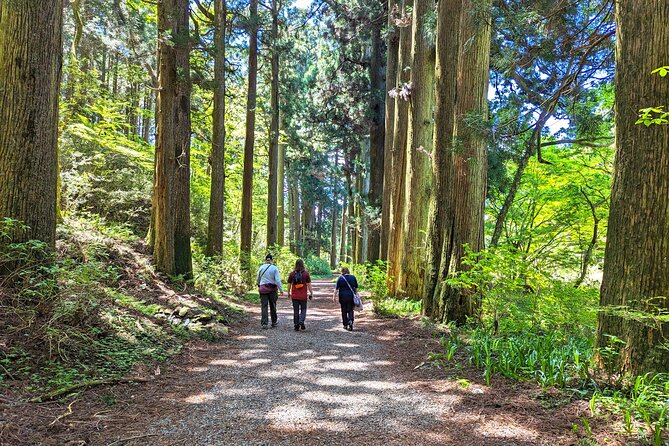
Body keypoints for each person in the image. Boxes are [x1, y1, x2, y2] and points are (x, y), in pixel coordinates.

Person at [256, 254, 283, 329]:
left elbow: (258, 278)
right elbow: (277, 280)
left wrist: (259, 284)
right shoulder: (274, 268)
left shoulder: (261, 267)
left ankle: (264, 323)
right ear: (272, 260)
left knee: (264, 306)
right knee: (273, 305)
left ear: (265, 260)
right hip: (272, 289)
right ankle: (274, 321)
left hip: (263, 289)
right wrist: (281, 290)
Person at [287, 259, 313, 331]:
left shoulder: (292, 274)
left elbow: (289, 284)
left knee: (296, 310)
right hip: (303, 296)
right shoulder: (306, 274)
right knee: (303, 309)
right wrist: (311, 292)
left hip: (295, 295)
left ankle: (296, 325)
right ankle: (301, 320)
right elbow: (309, 284)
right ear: (303, 265)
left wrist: (288, 292)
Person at [332, 267, 358, 331]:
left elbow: (336, 289)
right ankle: (351, 320)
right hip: (351, 296)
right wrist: (356, 295)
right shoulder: (353, 277)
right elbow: (356, 287)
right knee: (350, 309)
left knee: (344, 310)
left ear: (342, 271)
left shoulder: (340, 278)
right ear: (348, 271)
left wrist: (334, 296)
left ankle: (345, 324)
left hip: (342, 296)